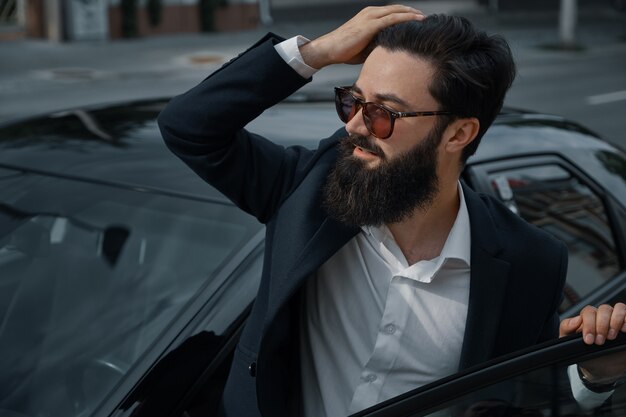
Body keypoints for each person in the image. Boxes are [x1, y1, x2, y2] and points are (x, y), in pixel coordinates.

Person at [157, 6, 626, 417]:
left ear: (458, 134)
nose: (356, 125)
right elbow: (188, 127)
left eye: (385, 113)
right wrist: (316, 52)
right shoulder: (308, 188)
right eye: (351, 100)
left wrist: (592, 378)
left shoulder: (530, 262)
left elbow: (520, 401)